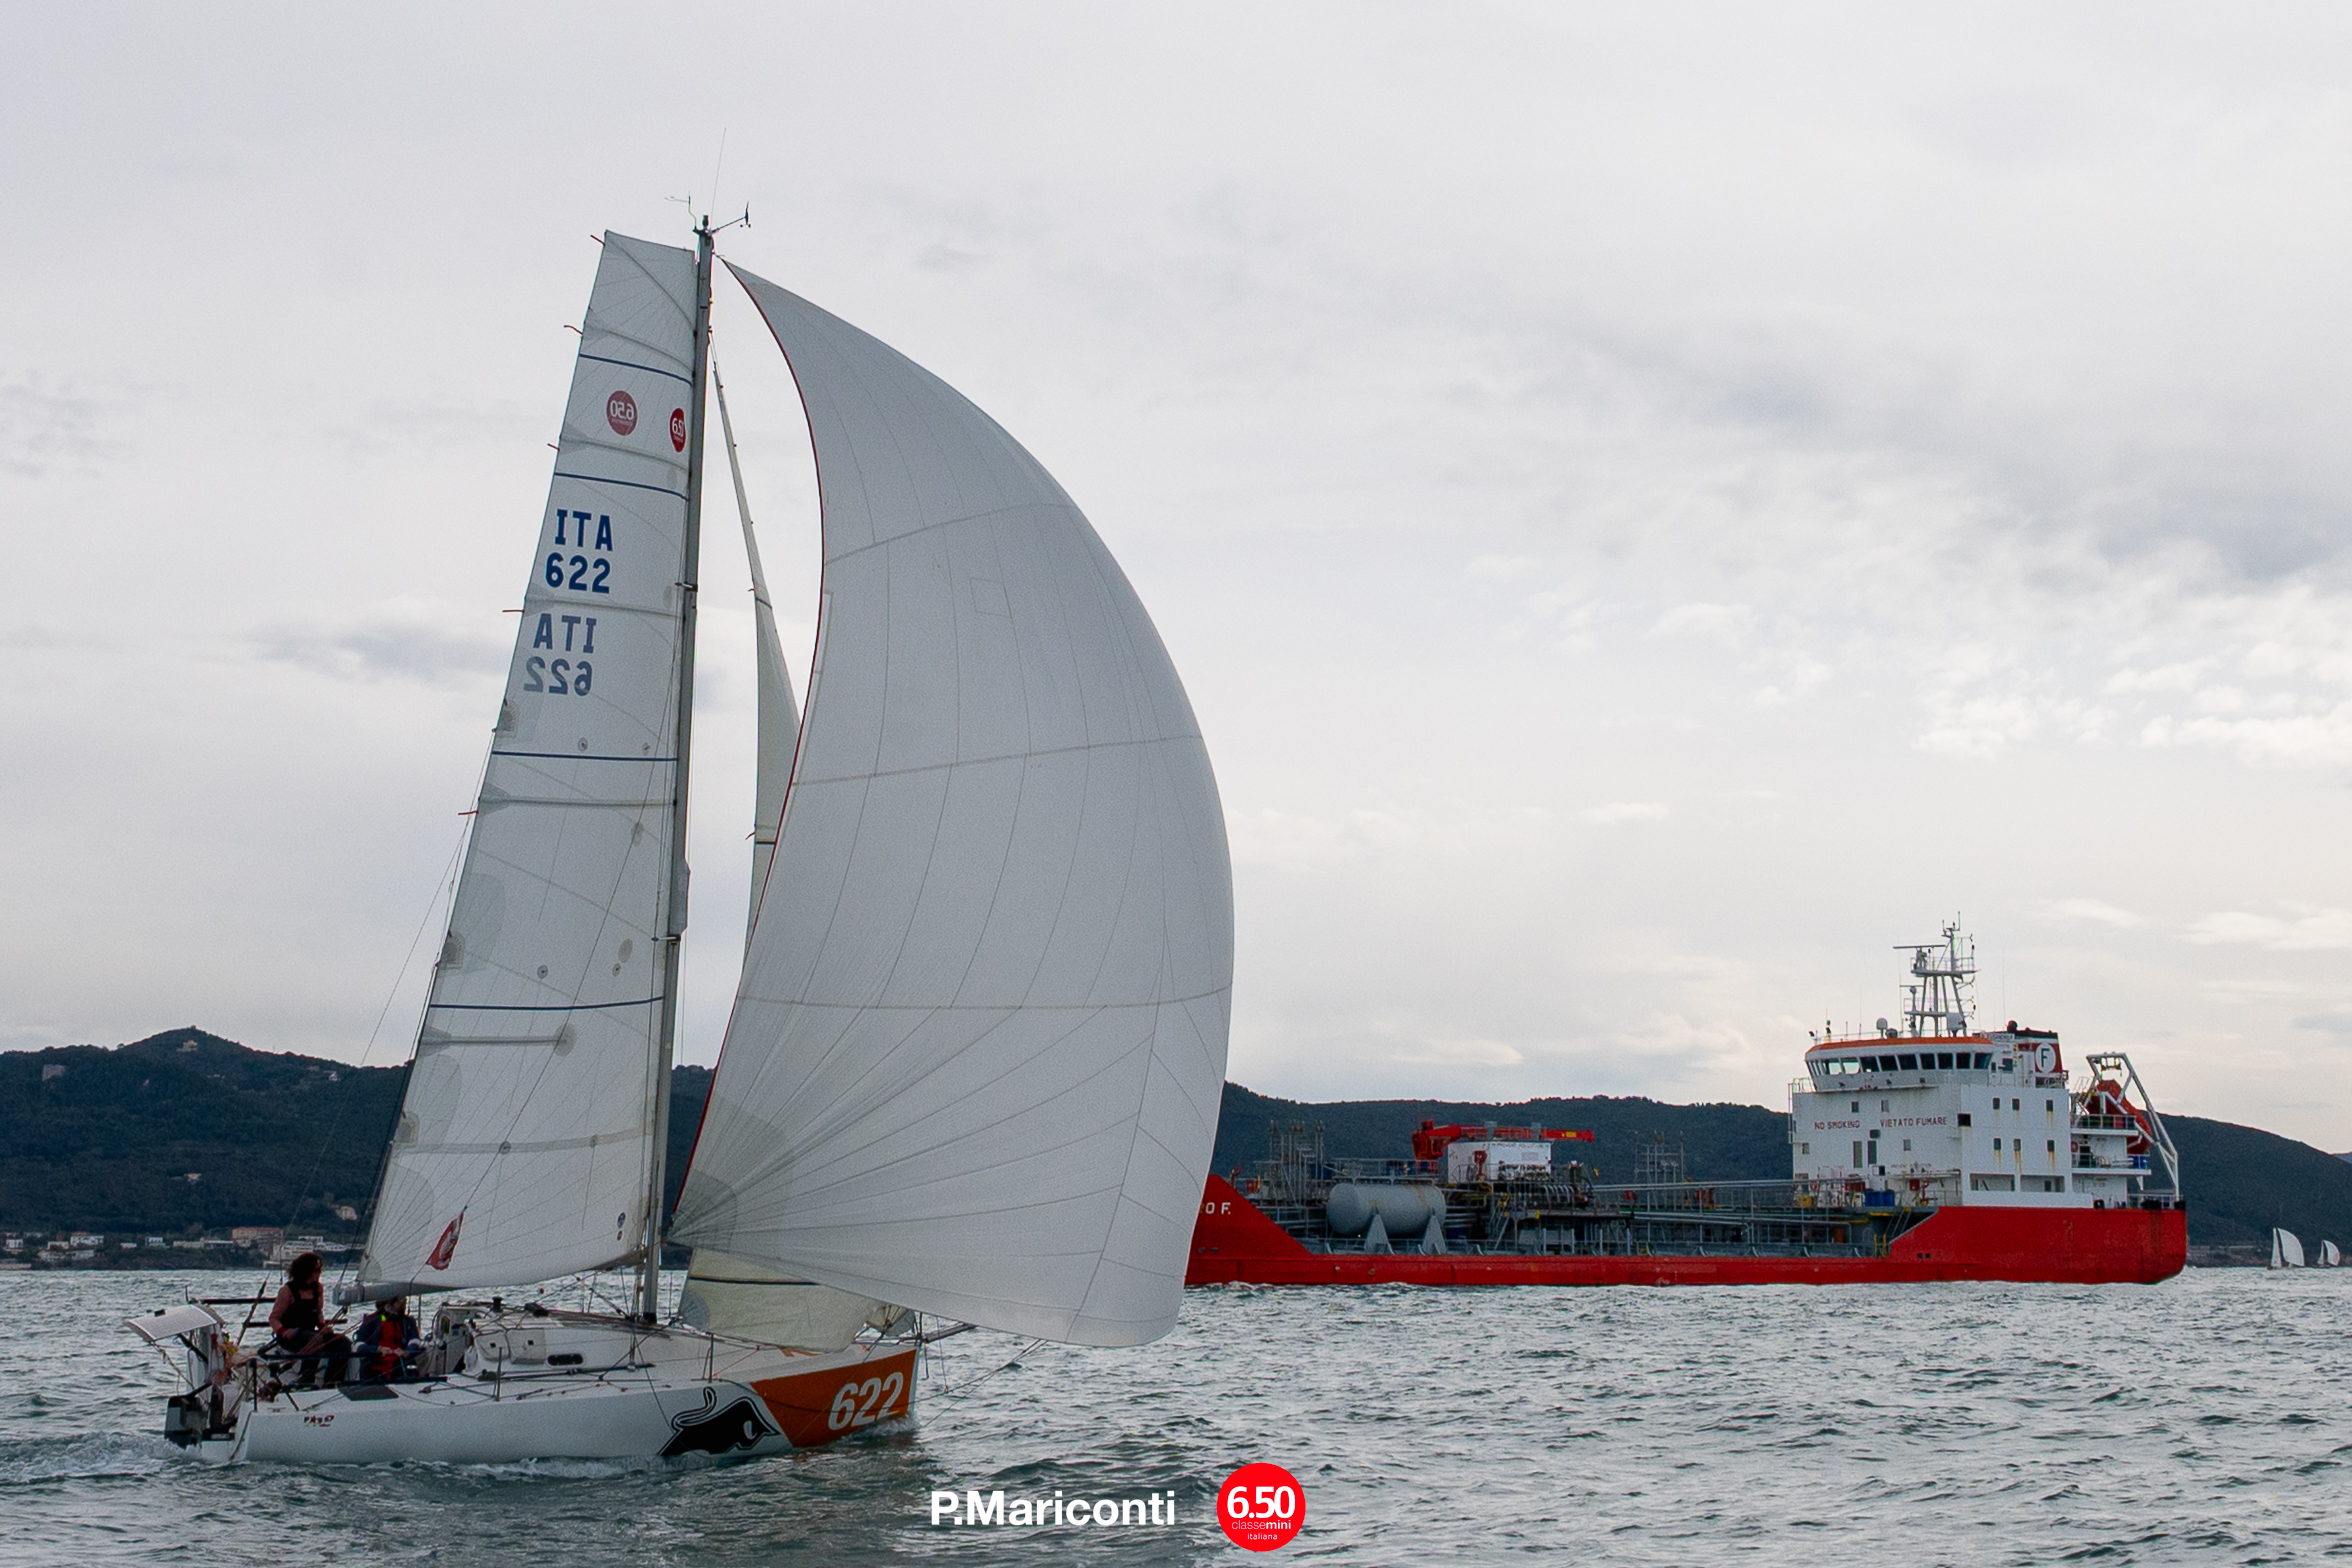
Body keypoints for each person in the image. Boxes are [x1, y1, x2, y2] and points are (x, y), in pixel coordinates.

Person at [266, 1251, 351, 1388]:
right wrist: (283, 1331)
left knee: (342, 1342)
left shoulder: (318, 1289)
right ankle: (306, 1380)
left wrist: (323, 1326)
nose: (319, 1274)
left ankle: (332, 1383)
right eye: (316, 1271)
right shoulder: (287, 1291)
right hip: (291, 1336)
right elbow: (274, 1318)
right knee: (314, 1340)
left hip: (311, 1333)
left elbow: (318, 1313)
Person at [351, 1296, 423, 1383]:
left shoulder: (408, 1321)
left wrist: (407, 1351)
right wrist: (378, 1349)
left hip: (400, 1361)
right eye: (400, 1299)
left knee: (403, 1368)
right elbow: (359, 1343)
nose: (404, 1302)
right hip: (377, 1363)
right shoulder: (372, 1320)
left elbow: (415, 1339)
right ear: (389, 1303)